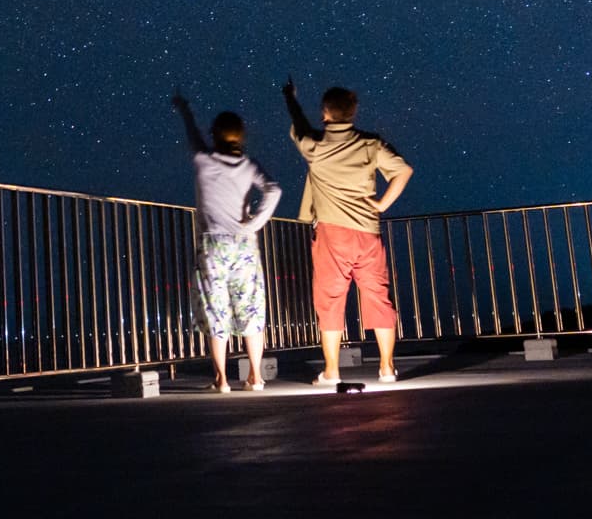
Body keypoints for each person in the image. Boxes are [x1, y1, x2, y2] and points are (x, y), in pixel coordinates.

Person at [283, 77, 413, 385]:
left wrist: (290, 97)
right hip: (367, 232)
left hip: (332, 234)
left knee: (329, 299)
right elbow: (403, 170)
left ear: (325, 113)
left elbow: (298, 124)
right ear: (353, 113)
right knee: (378, 297)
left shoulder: (315, 146)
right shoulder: (370, 143)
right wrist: (382, 204)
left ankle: (331, 371)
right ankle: (386, 367)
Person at [173, 90, 283, 392]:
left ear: (215, 135)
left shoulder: (203, 160)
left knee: (215, 307)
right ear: (241, 136)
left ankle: (221, 378)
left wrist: (184, 109)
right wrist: (255, 223)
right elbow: (274, 190)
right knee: (250, 308)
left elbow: (192, 134)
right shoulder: (249, 165)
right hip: (244, 243)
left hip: (213, 245)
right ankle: (256, 377)